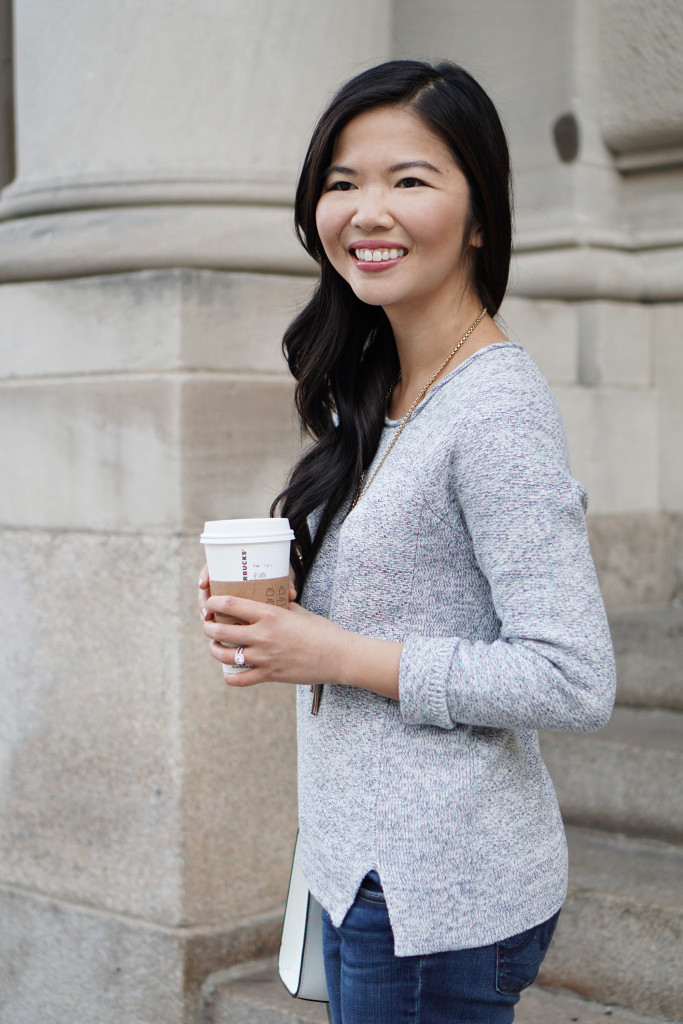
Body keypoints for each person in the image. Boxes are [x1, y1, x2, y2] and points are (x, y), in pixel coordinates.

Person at [198, 59, 616, 1024]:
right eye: (342, 183)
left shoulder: (496, 407)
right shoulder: (380, 393)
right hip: (361, 866)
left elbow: (572, 677)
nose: (366, 211)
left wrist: (332, 652)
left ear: (480, 216)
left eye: (409, 180)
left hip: (437, 895)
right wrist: (277, 618)